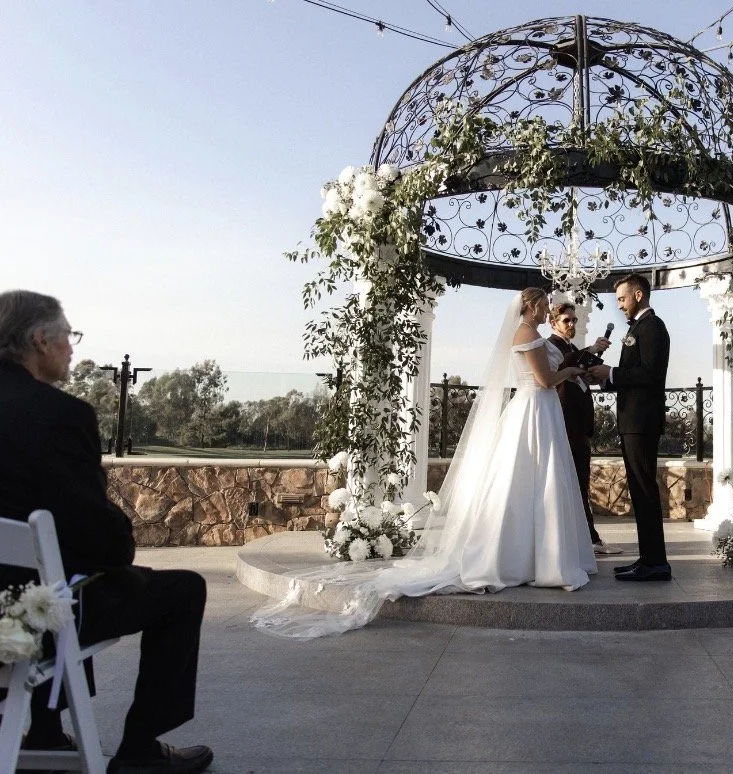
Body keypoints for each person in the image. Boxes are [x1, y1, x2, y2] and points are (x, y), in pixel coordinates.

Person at [253, 288, 597, 638]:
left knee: (541, 482)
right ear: (531, 306)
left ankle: (540, 554)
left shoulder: (533, 334)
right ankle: (526, 558)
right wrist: (569, 371)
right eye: (543, 307)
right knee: (531, 481)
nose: (546, 312)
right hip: (534, 411)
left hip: (541, 412)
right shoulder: (525, 334)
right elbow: (543, 380)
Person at [0, 290, 213, 774]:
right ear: (39, 339)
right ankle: (140, 749)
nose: (71, 348)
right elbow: (99, 537)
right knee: (175, 588)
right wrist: (120, 533)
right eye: (67, 337)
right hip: (20, 623)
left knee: (65, 571)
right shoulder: (59, 414)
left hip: (15, 601)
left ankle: (49, 734)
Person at [587, 273, 671, 582]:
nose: (619, 305)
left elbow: (649, 374)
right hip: (633, 420)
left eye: (622, 298)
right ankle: (648, 558)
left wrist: (612, 372)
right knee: (639, 489)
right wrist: (606, 378)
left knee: (644, 489)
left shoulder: (652, 327)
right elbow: (633, 374)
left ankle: (656, 563)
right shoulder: (639, 327)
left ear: (638, 295)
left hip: (641, 421)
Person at [547, 301, 621, 556]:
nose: (572, 324)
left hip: (579, 425)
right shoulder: (551, 346)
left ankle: (587, 538)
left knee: (581, 481)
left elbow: (575, 367)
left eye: (574, 320)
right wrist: (589, 350)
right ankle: (588, 538)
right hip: (565, 423)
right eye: (566, 320)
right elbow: (559, 366)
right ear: (553, 322)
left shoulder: (572, 347)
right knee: (572, 482)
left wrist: (590, 373)